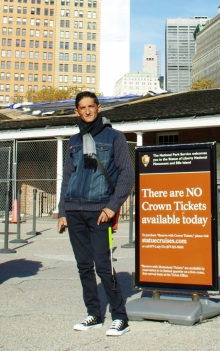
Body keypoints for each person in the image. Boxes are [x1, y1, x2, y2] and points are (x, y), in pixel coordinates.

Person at [58, 92, 134, 337]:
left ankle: (120, 316)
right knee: (83, 266)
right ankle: (94, 314)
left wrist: (112, 206)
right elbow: (68, 177)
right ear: (76, 112)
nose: (88, 111)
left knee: (103, 265)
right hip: (74, 211)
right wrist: (62, 211)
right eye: (83, 107)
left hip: (100, 211)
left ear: (99, 108)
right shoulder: (73, 141)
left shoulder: (114, 137)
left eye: (91, 106)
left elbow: (127, 175)